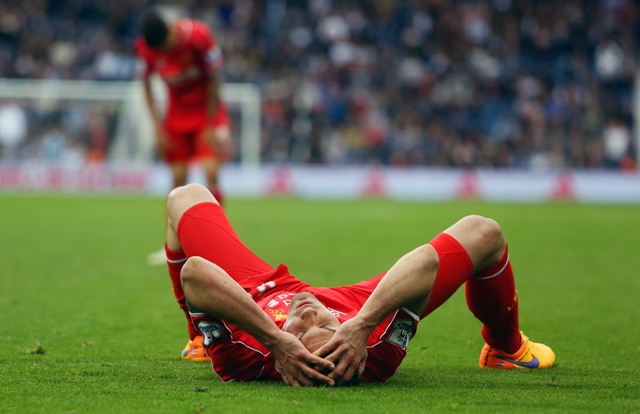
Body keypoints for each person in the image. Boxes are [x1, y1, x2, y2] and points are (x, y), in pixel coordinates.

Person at [161, 183, 556, 385]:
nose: (312, 314)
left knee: (184, 197)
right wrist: (360, 323)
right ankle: (507, 349)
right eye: (326, 326)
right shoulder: (376, 348)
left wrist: (278, 339)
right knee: (485, 233)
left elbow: (194, 272)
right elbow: (425, 261)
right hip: (364, 306)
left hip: (256, 294)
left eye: (300, 331)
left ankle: (200, 336)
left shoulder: (245, 357)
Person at [135, 10, 231, 267]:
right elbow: (145, 84)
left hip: (206, 114)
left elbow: (215, 78)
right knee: (177, 180)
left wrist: (211, 124)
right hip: (176, 118)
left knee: (211, 172)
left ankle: (218, 244)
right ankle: (173, 248)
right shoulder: (146, 48)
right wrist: (157, 127)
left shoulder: (199, 36)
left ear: (172, 32)